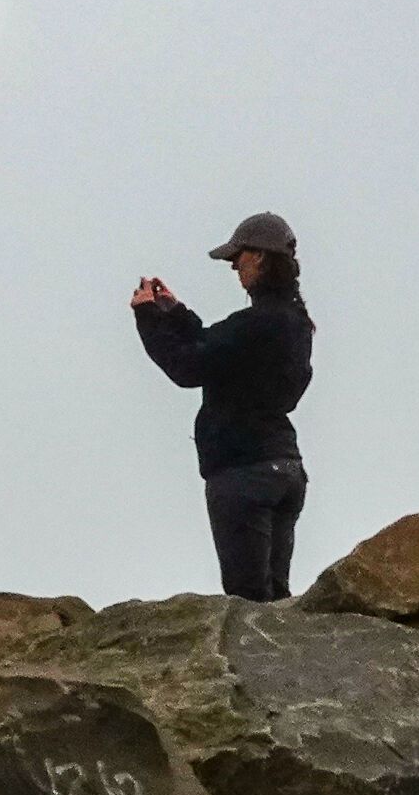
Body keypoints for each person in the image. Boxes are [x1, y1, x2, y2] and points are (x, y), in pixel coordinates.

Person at [128, 212, 313, 600]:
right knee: (276, 601)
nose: (233, 265)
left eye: (238, 256)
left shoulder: (256, 324)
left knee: (247, 601)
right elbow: (216, 347)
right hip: (285, 469)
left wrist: (148, 317)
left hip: (244, 474)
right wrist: (175, 313)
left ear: (259, 256)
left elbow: (187, 366)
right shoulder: (294, 323)